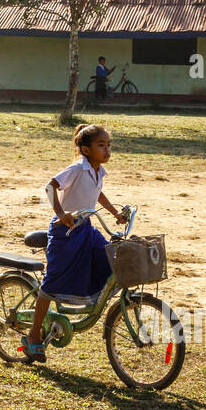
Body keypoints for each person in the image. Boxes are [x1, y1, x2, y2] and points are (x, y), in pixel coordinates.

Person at [20, 123, 128, 362]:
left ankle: (86, 302)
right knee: (51, 283)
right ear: (86, 149)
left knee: (110, 258)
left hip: (85, 229)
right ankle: (34, 334)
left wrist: (114, 213)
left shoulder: (98, 171)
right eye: (101, 145)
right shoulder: (78, 168)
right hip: (65, 232)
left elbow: (97, 193)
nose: (107, 149)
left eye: (109, 145)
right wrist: (61, 214)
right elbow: (51, 187)